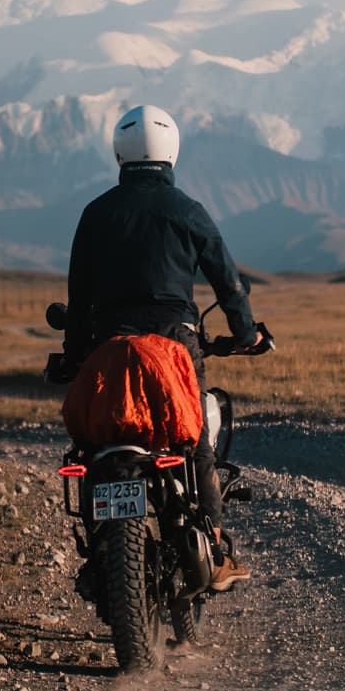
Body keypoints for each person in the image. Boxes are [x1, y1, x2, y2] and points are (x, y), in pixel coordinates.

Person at [60, 104, 263, 591]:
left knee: (96, 443)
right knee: (194, 441)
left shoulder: (96, 213)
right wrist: (246, 333)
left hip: (109, 345)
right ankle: (212, 546)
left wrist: (74, 352)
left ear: (120, 152)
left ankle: (100, 550)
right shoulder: (189, 211)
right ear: (172, 151)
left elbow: (78, 295)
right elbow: (228, 284)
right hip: (175, 343)